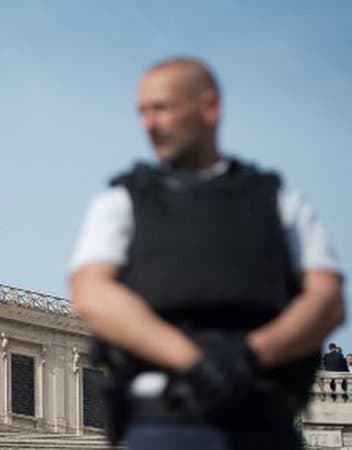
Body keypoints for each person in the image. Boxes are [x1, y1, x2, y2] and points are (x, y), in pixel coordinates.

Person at [70, 57, 345, 450]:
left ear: (209, 107)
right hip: (164, 421)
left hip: (260, 420)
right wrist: (199, 363)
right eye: (143, 112)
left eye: (161, 108)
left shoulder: (280, 202)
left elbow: (327, 301)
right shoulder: (121, 201)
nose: (149, 124)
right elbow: (91, 294)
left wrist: (248, 356)